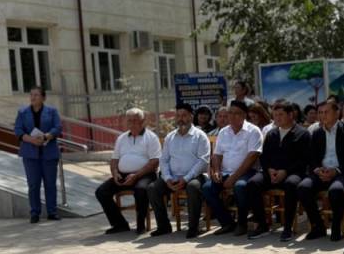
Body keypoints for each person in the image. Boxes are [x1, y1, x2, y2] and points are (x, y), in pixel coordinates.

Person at [246, 100, 310, 241]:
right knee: (252, 183)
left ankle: (287, 228)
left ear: (291, 115)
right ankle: (262, 225)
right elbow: (264, 156)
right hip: (271, 172)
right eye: (275, 115)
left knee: (291, 184)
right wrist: (269, 170)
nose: (277, 118)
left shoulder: (302, 134)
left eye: (281, 114)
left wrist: (285, 171)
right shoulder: (272, 134)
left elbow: (304, 160)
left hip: (293, 173)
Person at [299, 99, 344, 242]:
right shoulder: (317, 133)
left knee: (336, 190)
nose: (322, 115)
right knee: (303, 187)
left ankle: (336, 227)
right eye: (320, 112)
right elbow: (311, 157)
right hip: (321, 173)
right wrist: (317, 170)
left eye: (326, 112)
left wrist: (336, 171)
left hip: (342, 173)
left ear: (337, 113)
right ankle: (318, 226)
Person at [148, 103, 211, 239]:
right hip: (173, 177)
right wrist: (167, 178)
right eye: (178, 116)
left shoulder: (200, 136)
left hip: (195, 176)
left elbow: (203, 161)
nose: (181, 119)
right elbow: (164, 160)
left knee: (193, 187)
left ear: (191, 117)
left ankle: (193, 228)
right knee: (153, 188)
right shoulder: (170, 137)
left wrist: (186, 178)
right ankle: (164, 226)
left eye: (184, 115)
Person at [95, 108, 161, 234]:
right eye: (129, 121)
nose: (132, 123)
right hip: (123, 175)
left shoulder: (151, 137)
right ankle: (120, 224)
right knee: (101, 192)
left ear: (142, 121)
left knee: (141, 189)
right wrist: (115, 173)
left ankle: (140, 225)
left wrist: (136, 175)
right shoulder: (122, 138)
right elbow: (114, 159)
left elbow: (154, 162)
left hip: (145, 174)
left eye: (135, 120)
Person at [202, 100, 263, 235]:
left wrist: (234, 177)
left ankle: (242, 223)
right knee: (207, 188)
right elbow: (217, 155)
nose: (232, 116)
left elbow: (252, 157)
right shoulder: (224, 132)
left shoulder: (253, 131)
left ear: (244, 115)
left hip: (248, 172)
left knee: (240, 186)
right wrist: (216, 171)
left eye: (237, 113)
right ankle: (227, 222)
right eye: (230, 113)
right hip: (225, 172)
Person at [14, 86, 63, 224]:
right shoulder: (22, 112)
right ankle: (35, 213)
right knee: (33, 184)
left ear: (43, 97)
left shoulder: (52, 111)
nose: (33, 97)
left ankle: (52, 212)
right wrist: (31, 140)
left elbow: (58, 127)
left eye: (36, 95)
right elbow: (18, 130)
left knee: (50, 184)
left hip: (49, 153)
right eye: (31, 95)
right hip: (30, 154)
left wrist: (46, 136)